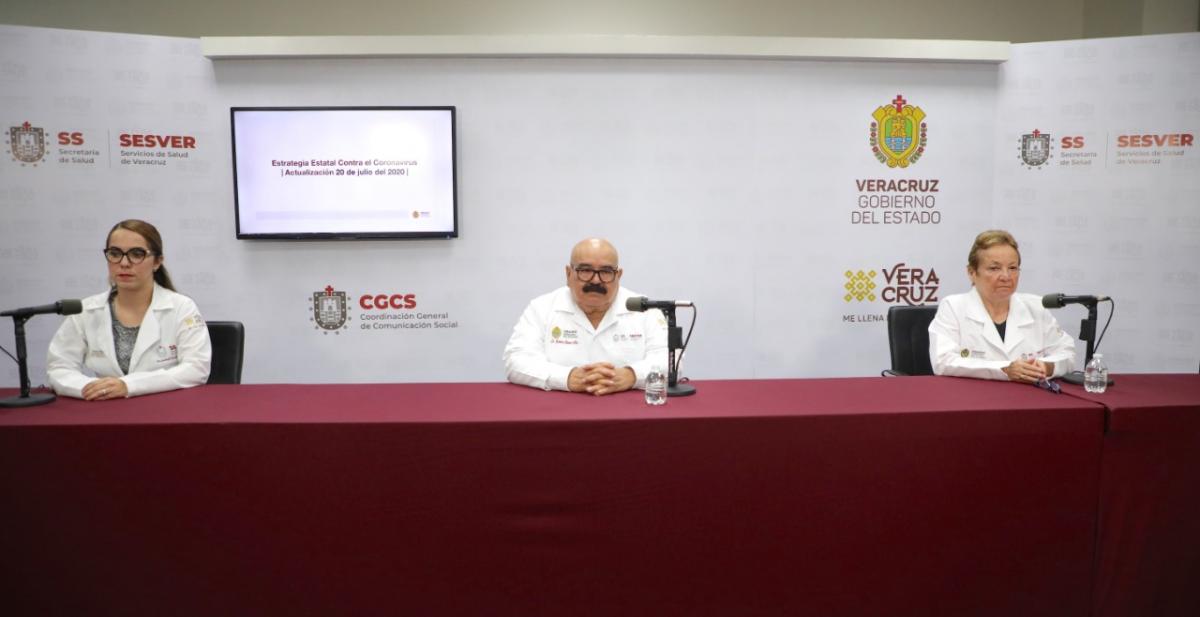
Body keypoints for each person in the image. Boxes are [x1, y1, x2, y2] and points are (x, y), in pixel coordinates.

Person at [47, 219, 212, 400]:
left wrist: (129, 386)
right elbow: (59, 367)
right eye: (115, 253)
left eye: (136, 254)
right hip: (105, 408)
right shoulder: (86, 310)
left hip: (164, 406)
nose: (124, 263)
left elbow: (196, 368)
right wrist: (94, 389)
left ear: (157, 262)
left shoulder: (182, 307)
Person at [504, 238, 668, 395]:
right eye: (586, 270)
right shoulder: (541, 308)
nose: (595, 280)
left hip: (627, 409)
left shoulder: (645, 309)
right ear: (568, 274)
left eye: (605, 271)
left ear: (618, 276)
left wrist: (632, 376)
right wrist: (567, 378)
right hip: (558, 408)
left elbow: (670, 360)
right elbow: (516, 360)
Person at [929, 229, 1075, 382]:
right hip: (974, 394)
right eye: (994, 268)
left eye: (1012, 268)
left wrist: (1047, 366)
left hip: (1029, 393)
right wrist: (1005, 369)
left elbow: (1067, 353)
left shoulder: (1037, 307)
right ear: (972, 272)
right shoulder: (953, 307)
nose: (1006, 276)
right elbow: (942, 361)